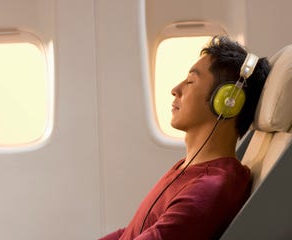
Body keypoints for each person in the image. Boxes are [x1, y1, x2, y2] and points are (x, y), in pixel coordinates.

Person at [99, 35, 270, 240]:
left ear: (227, 100)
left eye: (190, 81)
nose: (175, 90)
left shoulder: (209, 189)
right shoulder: (187, 169)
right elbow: (133, 230)